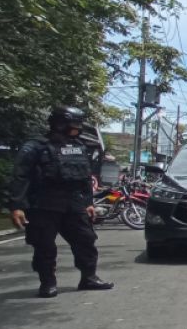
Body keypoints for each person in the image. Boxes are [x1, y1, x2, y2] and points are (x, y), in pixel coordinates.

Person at [7, 106, 114, 298]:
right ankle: (47, 283)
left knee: (86, 240)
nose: (78, 128)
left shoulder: (79, 146)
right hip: (44, 204)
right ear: (60, 124)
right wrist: (17, 206)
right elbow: (20, 176)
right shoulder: (36, 147)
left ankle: (89, 277)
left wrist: (88, 202)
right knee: (44, 246)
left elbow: (85, 177)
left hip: (74, 203)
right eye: (75, 124)